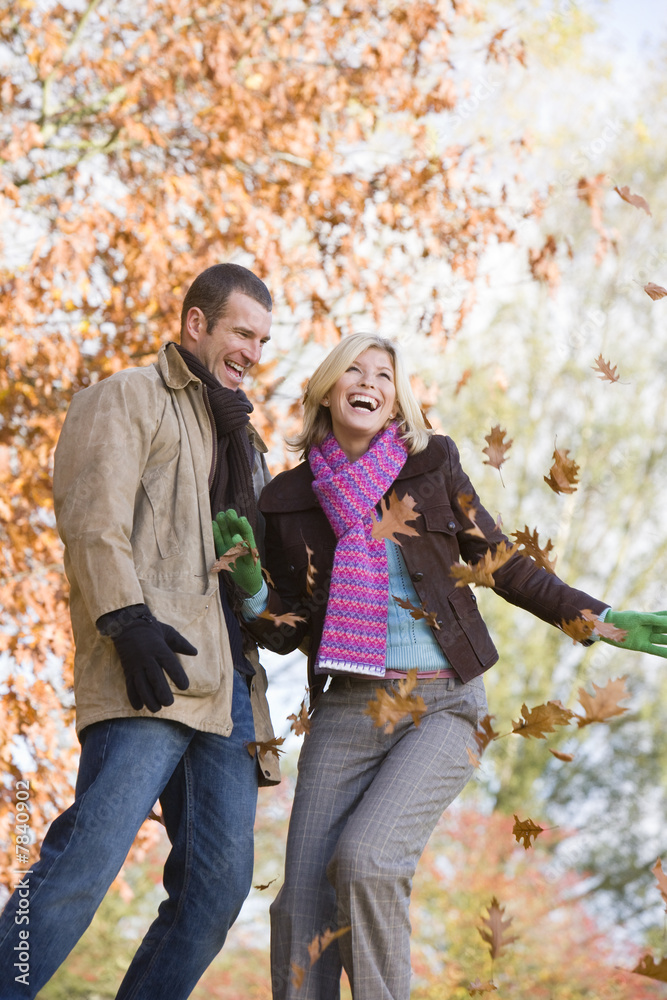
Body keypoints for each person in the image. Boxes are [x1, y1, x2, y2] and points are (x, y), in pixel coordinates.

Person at [212, 332, 667, 1000]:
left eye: (384, 375)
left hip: (445, 706)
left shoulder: (432, 466)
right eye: (354, 371)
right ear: (328, 389)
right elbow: (289, 629)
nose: (368, 382)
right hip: (348, 710)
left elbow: (498, 560)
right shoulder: (286, 501)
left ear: (396, 399)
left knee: (367, 863)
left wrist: (594, 619)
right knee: (298, 907)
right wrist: (252, 586)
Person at [0, 263, 281, 1000]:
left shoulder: (246, 444)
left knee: (215, 894)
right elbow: (91, 515)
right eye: (241, 332)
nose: (252, 351)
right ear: (196, 323)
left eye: (262, 340)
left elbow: (247, 566)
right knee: (83, 864)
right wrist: (125, 620)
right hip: (150, 664)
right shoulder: (127, 396)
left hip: (231, 692)